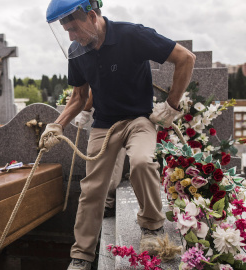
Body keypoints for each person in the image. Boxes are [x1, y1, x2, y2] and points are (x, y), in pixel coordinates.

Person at [42, 1, 196, 269]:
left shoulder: (132, 35)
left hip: (139, 119)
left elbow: (185, 58)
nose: (70, 36)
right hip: (103, 124)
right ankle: (81, 256)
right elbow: (79, 95)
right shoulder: (76, 50)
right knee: (92, 188)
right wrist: (58, 124)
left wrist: (171, 106)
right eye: (65, 30)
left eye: (74, 27)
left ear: (91, 16)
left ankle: (152, 227)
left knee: (141, 162)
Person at [75, 88, 126, 218]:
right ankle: (100, 203)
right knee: (97, 164)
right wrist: (85, 111)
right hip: (105, 119)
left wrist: (86, 111)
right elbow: (94, 87)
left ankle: (107, 203)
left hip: (122, 118)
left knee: (115, 164)